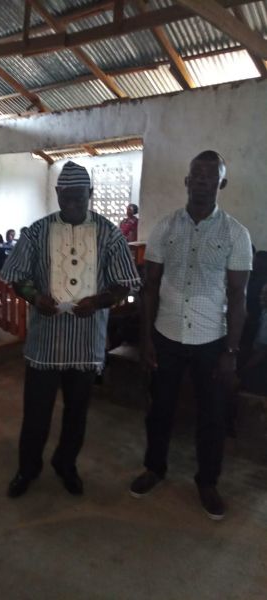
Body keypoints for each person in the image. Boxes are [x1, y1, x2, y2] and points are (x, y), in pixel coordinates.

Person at [0, 161, 140, 498]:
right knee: (36, 413)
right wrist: (35, 297)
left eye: (80, 197)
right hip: (45, 344)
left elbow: (125, 284)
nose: (74, 204)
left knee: (77, 413)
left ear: (90, 193)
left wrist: (99, 301)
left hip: (85, 343)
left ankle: (66, 463)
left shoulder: (109, 234)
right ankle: (28, 468)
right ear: (58, 193)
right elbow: (16, 277)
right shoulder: (37, 232)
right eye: (67, 198)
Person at [130, 150, 252, 520]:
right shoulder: (165, 228)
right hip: (166, 335)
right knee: (159, 410)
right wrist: (147, 340)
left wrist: (231, 351)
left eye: (210, 176)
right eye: (196, 175)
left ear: (221, 183)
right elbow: (150, 287)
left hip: (210, 340)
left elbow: (238, 297)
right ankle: (155, 468)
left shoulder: (235, 234)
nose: (202, 181)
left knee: (212, 417)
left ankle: (208, 483)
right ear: (186, 181)